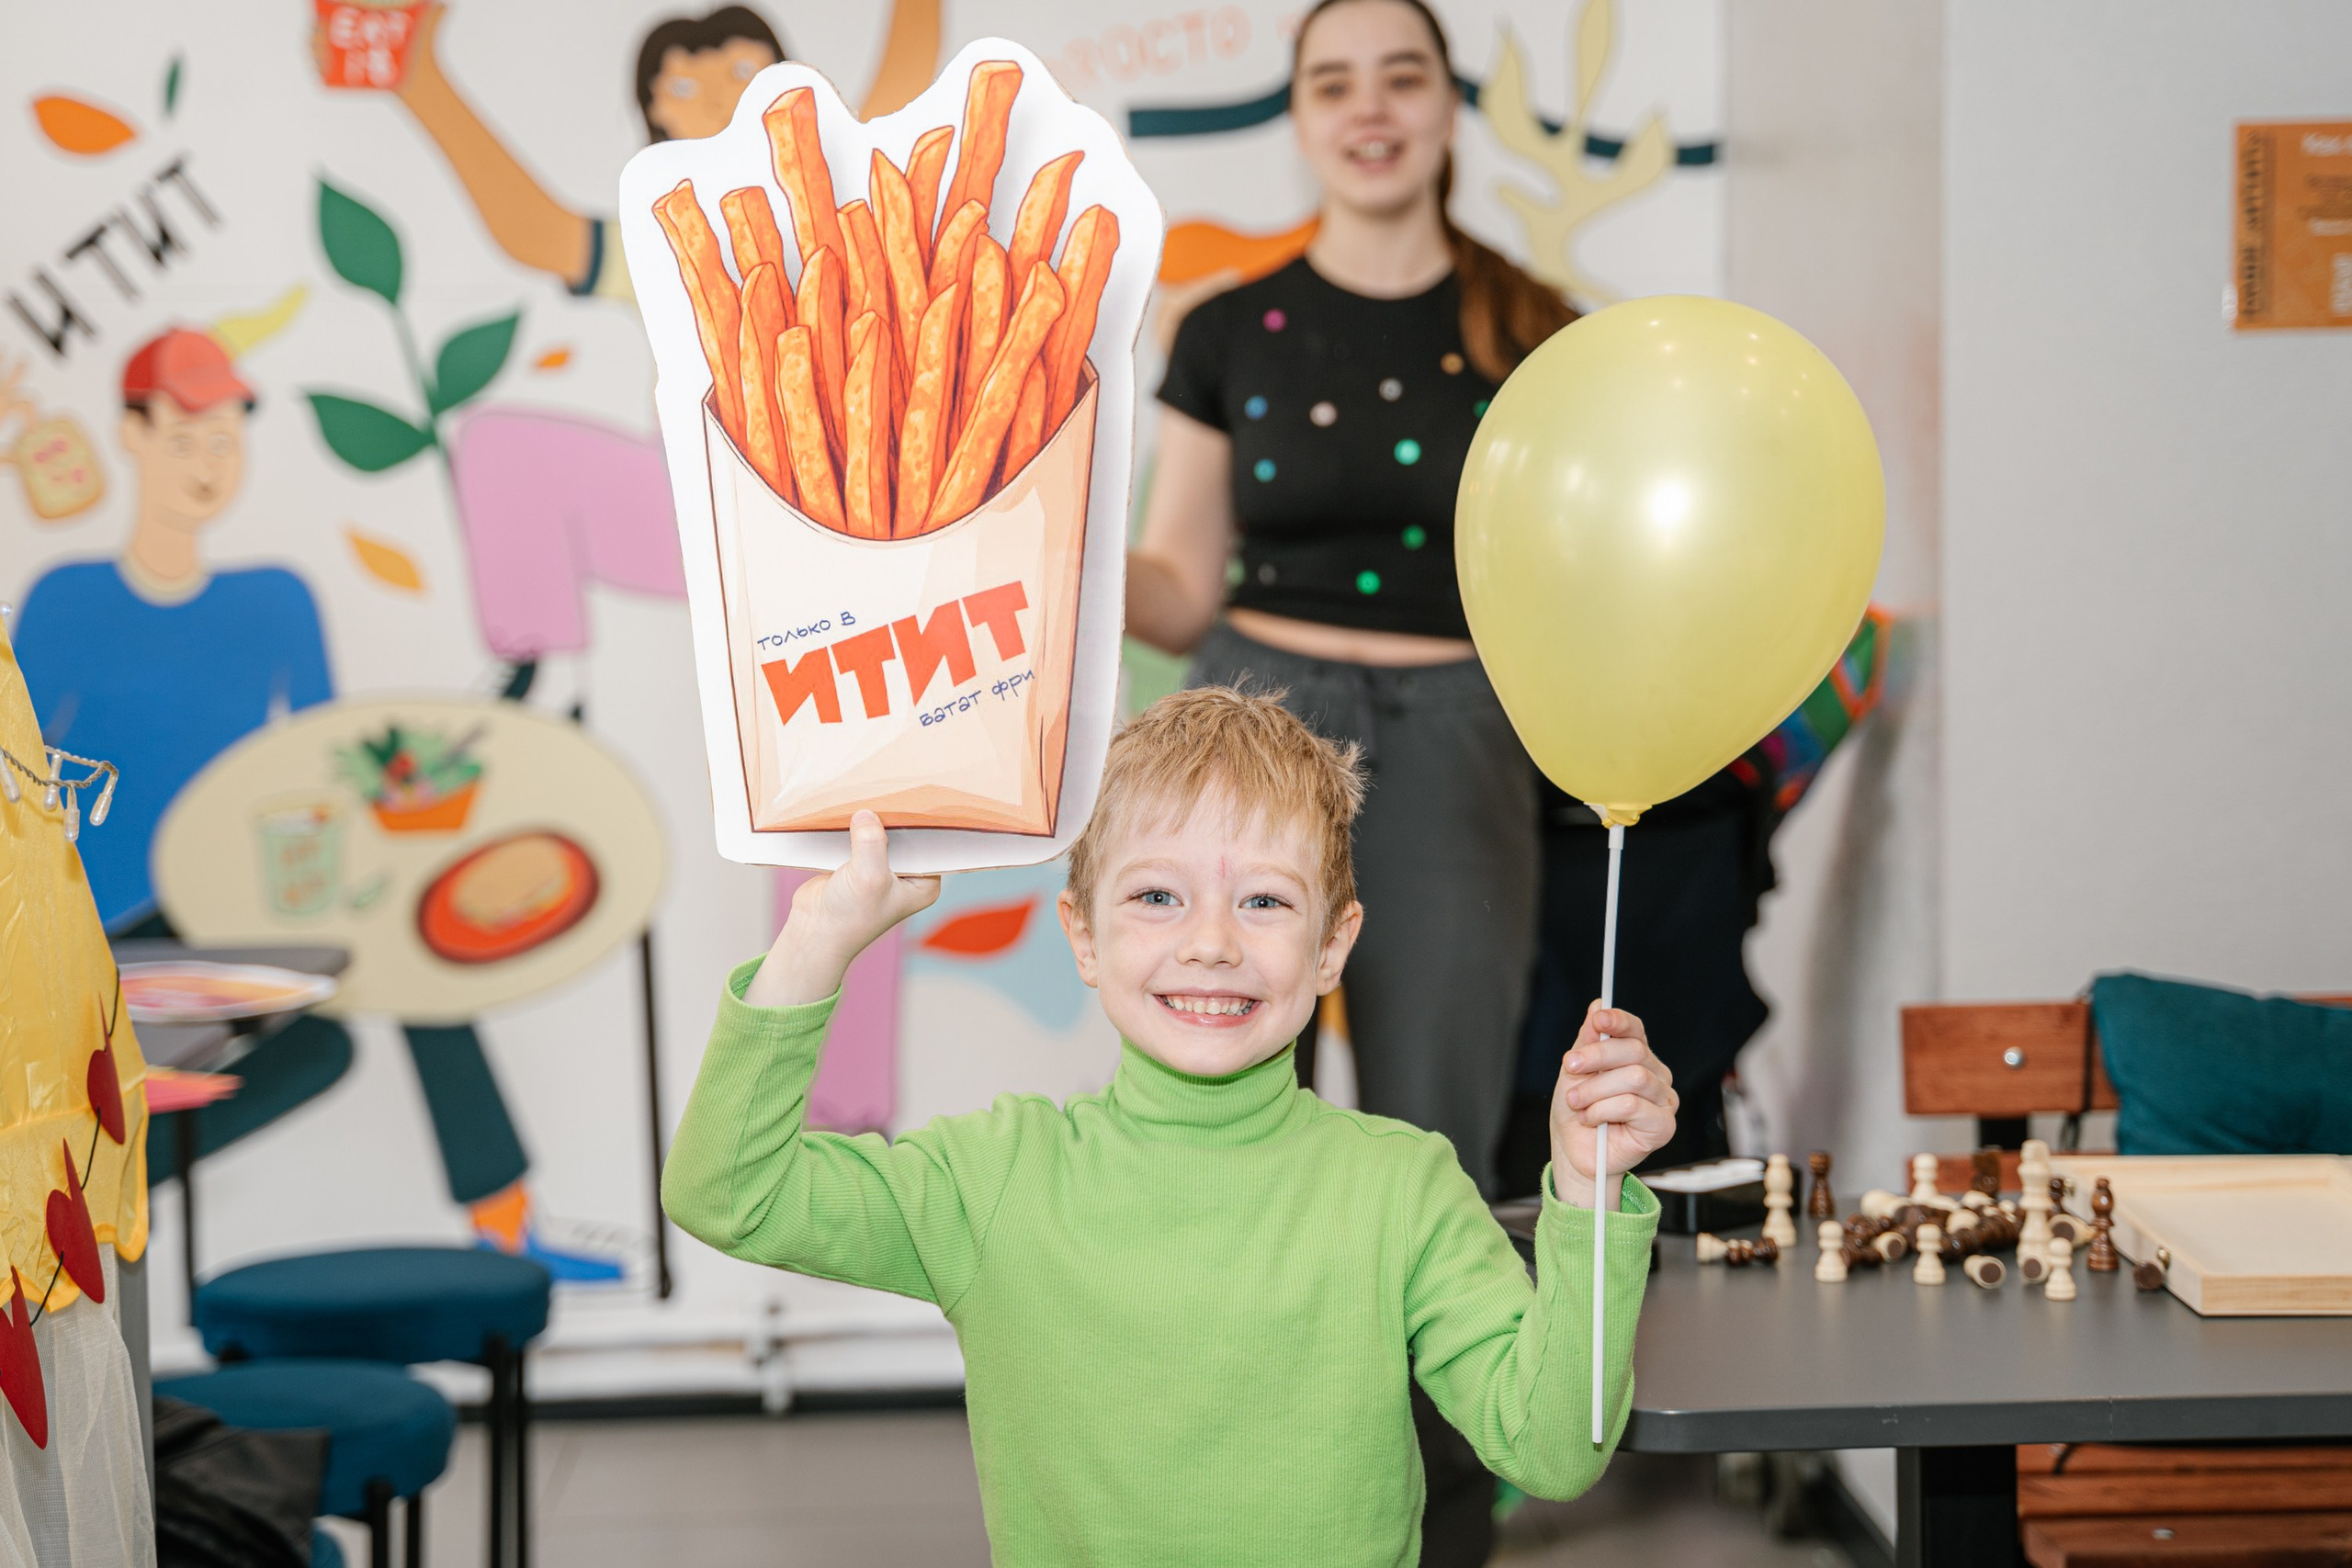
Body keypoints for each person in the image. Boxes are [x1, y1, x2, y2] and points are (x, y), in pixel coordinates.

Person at [662, 688, 1677, 1566]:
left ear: (1332, 946)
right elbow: (726, 1193)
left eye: (1266, 903)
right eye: (1157, 895)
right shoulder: (996, 1177)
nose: (1210, 943)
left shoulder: (1402, 1188)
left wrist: (1587, 1192)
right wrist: (818, 937)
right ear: (1082, 935)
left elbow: (1553, 1449)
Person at [1131, 0, 1574, 1195]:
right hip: (1248, 725)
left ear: (1447, 105)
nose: (1368, 108)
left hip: (1463, 737)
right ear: (1300, 117)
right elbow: (1174, 592)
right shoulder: (1224, 327)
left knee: (1437, 1139)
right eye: (1333, 84)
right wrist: (1046, 545)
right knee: (1219, 1124)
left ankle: (1428, 1393)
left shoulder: (1542, 332)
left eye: (1400, 77)